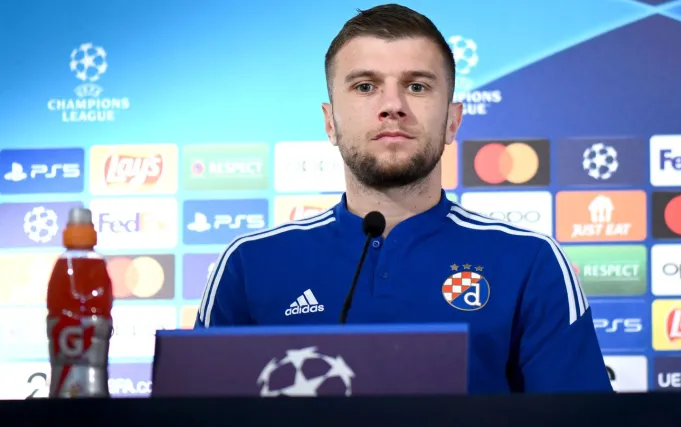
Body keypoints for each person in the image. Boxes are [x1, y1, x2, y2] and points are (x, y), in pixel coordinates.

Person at [195, 3, 612, 394]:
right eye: (365, 86)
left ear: (452, 122)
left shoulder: (530, 261)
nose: (392, 106)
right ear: (330, 122)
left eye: (416, 86)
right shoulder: (249, 263)